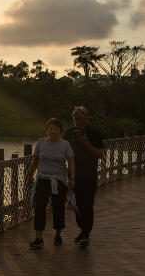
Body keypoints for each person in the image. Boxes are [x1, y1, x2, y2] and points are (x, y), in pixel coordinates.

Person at [26, 118, 76, 249]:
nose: (53, 131)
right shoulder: (41, 143)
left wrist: (72, 179)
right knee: (40, 207)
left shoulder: (65, 145)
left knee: (58, 208)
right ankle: (39, 238)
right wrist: (30, 176)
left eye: (56, 129)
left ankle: (58, 235)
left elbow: (71, 162)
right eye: (50, 129)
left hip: (58, 181)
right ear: (47, 129)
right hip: (43, 179)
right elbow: (35, 161)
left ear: (60, 131)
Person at [63, 106, 105, 247]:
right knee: (77, 204)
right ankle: (82, 230)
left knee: (87, 204)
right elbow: (61, 151)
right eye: (76, 119)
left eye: (82, 119)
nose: (79, 122)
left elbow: (100, 154)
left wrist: (86, 143)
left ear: (87, 119)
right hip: (73, 177)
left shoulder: (94, 134)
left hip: (89, 175)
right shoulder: (69, 134)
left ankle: (86, 233)